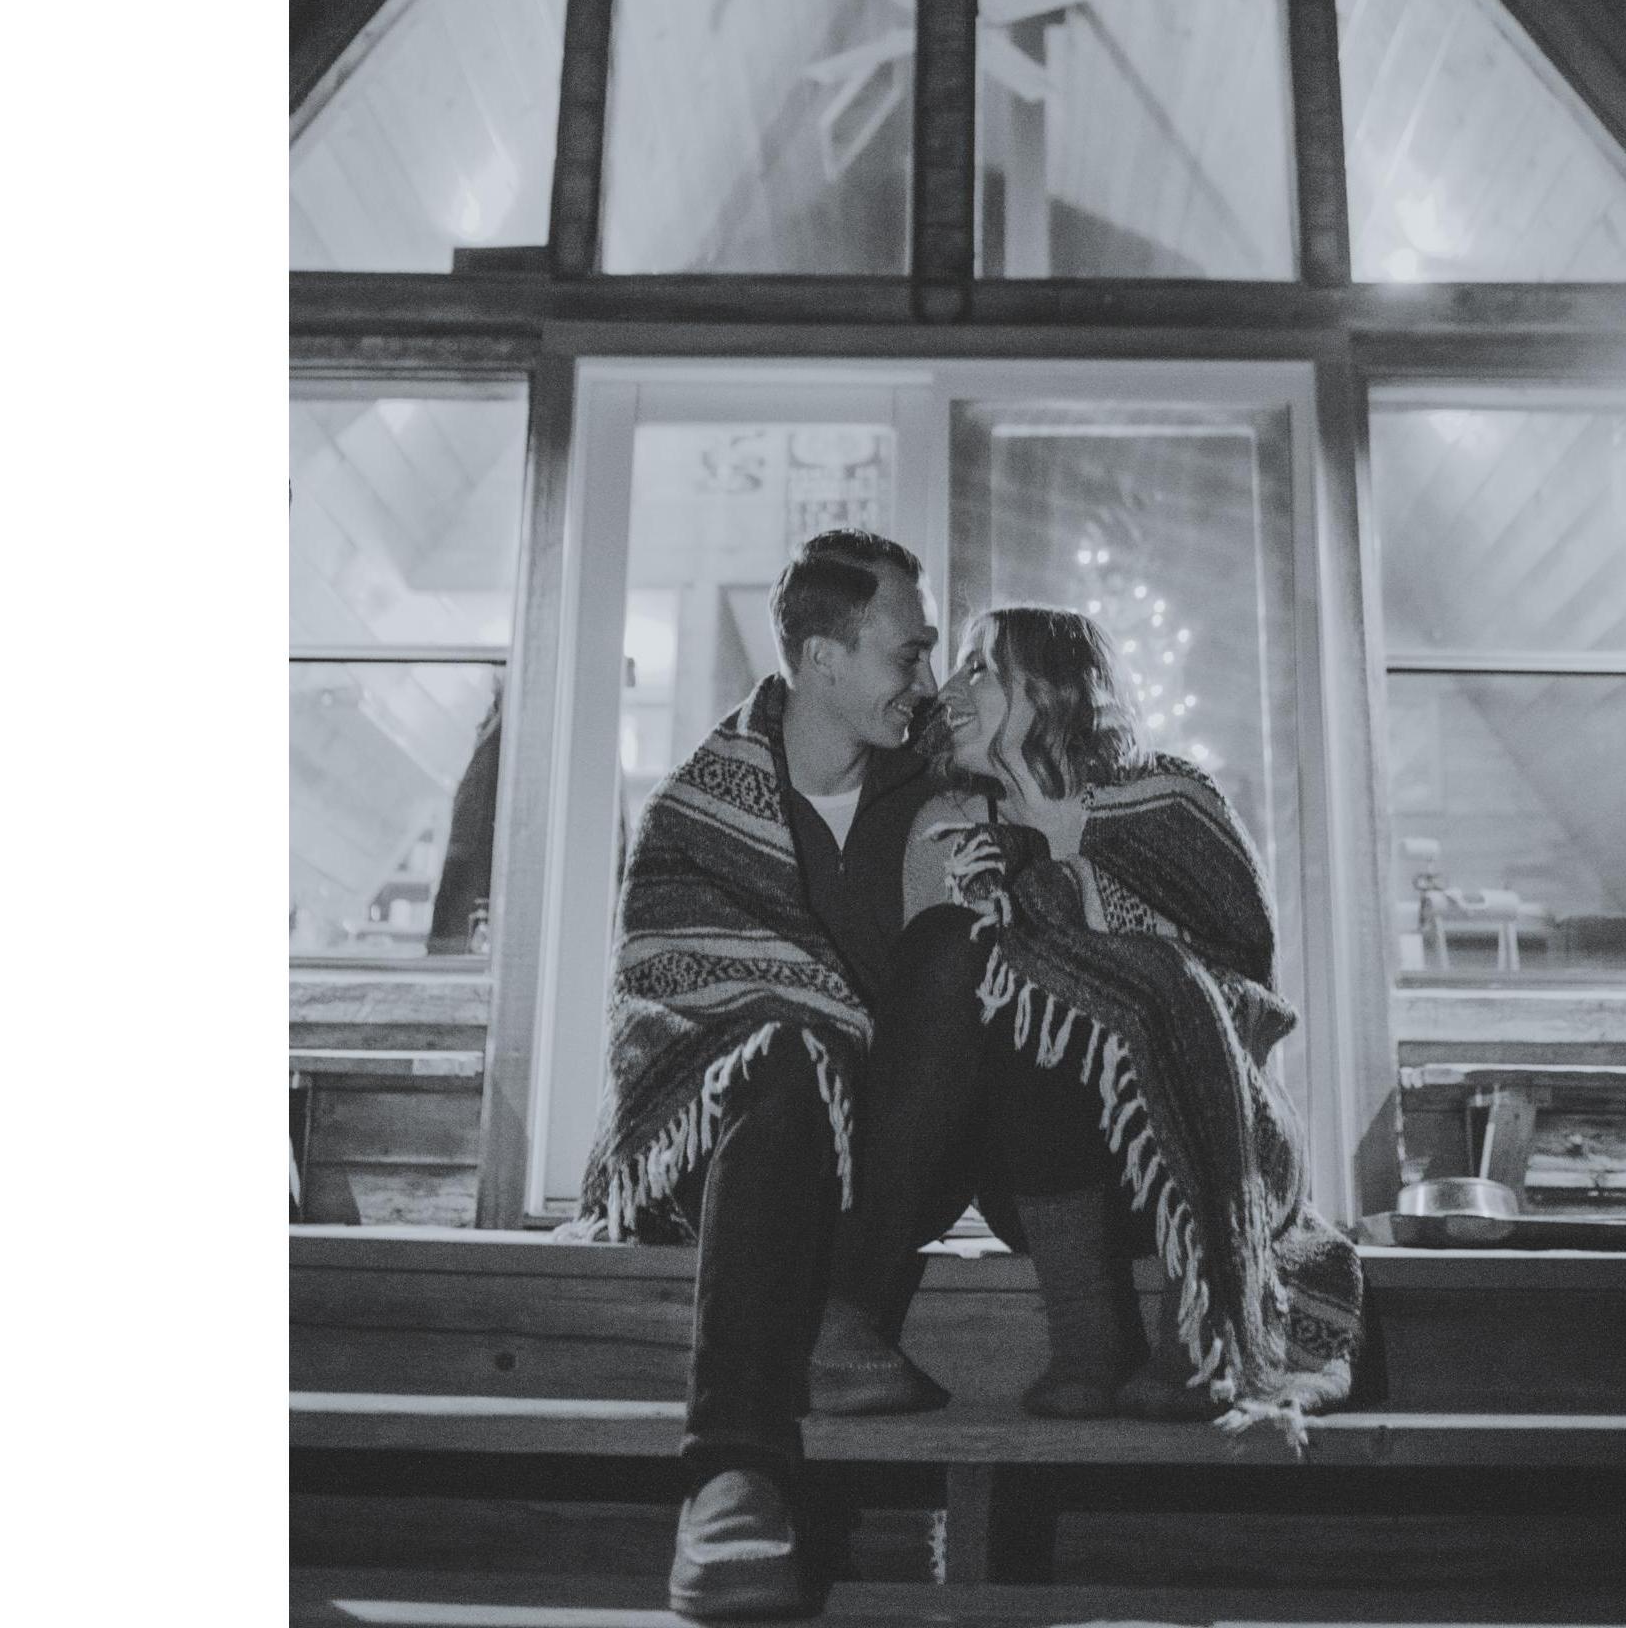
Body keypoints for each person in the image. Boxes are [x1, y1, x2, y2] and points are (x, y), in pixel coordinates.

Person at [813, 605, 1364, 1444]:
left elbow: (1242, 984)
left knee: (1047, 965)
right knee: (963, 949)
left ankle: (1195, 1321)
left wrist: (1058, 894)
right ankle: (1065, 1336)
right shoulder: (955, 828)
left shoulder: (1170, 798)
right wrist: (1006, 912)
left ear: (1049, 688)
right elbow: (937, 1040)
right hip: (1032, 1192)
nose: (947, 691)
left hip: (1182, 1155)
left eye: (979, 668)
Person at [571, 529, 943, 1622]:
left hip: (888, 1156)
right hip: (746, 1144)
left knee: (957, 961)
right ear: (823, 657)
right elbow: (659, 1000)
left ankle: (831, 1315)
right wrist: (802, 1023)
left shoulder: (935, 792)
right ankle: (733, 1475)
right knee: (780, 1052)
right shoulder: (697, 809)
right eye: (907, 652)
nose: (925, 679)